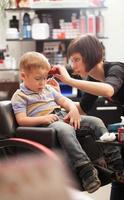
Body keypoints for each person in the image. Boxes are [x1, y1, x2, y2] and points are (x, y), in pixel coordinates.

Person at [11, 51, 123, 195]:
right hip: (46, 124)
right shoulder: (19, 96)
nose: (43, 82)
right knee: (66, 130)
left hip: (62, 116)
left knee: (96, 121)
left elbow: (64, 101)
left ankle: (116, 162)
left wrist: (72, 109)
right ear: (23, 76)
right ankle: (85, 170)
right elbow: (22, 120)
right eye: (38, 79)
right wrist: (43, 119)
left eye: (45, 78)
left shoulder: (48, 88)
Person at [53, 34, 124, 200]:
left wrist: (69, 80)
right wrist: (55, 97)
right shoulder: (94, 79)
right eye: (72, 60)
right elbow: (82, 108)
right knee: (119, 175)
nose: (73, 65)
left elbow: (108, 90)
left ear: (90, 56)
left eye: (77, 59)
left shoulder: (116, 69)